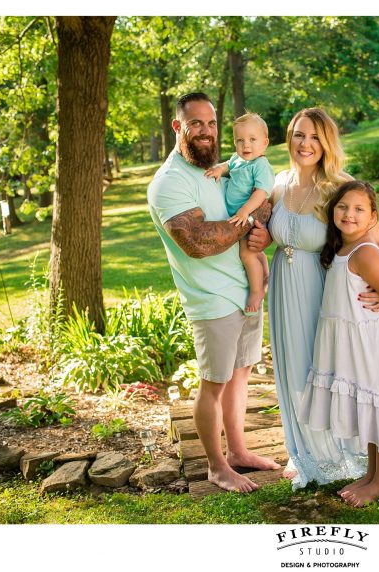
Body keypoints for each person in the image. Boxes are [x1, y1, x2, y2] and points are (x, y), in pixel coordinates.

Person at [247, 108, 379, 489]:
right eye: (299, 135)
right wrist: (267, 238)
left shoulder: (340, 186)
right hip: (284, 289)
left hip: (326, 290)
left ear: (326, 142)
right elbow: (273, 231)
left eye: (314, 137)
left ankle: (345, 454)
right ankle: (307, 454)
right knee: (294, 370)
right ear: (289, 138)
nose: (305, 144)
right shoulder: (278, 183)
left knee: (331, 369)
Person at [147, 92, 279, 493]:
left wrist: (257, 220)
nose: (206, 132)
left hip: (244, 289)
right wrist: (250, 220)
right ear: (177, 127)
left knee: (240, 378)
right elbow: (199, 242)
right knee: (214, 383)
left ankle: (238, 452)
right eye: (195, 124)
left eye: (211, 123)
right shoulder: (168, 183)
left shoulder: (223, 169)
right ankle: (217, 466)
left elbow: (264, 203)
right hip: (211, 298)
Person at [298, 180, 379, 507]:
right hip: (358, 343)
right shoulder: (344, 248)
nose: (349, 214)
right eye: (343, 207)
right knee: (371, 406)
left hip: (376, 344)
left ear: (373, 217)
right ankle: (371, 475)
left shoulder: (364, 252)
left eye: (359, 209)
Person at [205, 113, 274, 313]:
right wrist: (219, 169)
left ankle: (256, 291)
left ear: (265, 143)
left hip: (249, 216)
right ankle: (264, 273)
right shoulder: (239, 159)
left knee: (246, 254)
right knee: (254, 251)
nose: (246, 145)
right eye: (240, 140)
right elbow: (229, 164)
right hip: (240, 216)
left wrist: (245, 211)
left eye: (253, 140)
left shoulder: (260, 165)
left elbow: (262, 192)